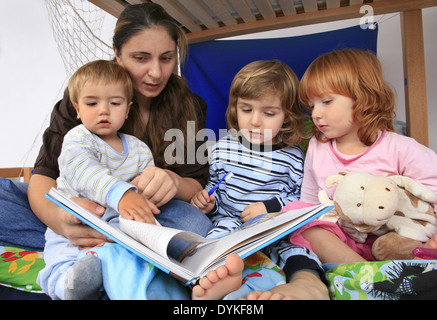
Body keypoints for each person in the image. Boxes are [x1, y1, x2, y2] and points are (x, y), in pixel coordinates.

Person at [0, 3, 213, 299]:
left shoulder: (189, 106)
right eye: (141, 58)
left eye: (166, 58)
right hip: (77, 209)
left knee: (194, 222)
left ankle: (104, 251)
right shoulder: (83, 98)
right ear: (117, 52)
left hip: (139, 219)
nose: (156, 72)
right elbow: (44, 178)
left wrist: (175, 183)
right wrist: (61, 222)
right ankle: (104, 251)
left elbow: (195, 185)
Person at [190, 60, 329, 300]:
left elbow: (302, 200)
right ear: (235, 109)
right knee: (213, 246)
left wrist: (270, 207)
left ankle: (306, 285)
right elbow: (216, 187)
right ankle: (219, 280)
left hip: (274, 228)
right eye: (246, 110)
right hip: (230, 224)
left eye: (269, 113)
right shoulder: (223, 148)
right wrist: (206, 201)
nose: (255, 121)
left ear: (286, 117)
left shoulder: (292, 157)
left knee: (298, 251)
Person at [288, 48, 437, 264]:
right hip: (345, 243)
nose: (315, 114)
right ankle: (364, 274)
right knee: (299, 216)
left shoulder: (399, 147)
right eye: (311, 106)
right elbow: (309, 200)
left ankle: (384, 272)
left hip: (393, 240)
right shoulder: (317, 147)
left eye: (326, 102)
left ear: (364, 98)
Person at [38, 59, 164, 300]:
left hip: (118, 225)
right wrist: (122, 193)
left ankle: (117, 280)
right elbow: (83, 171)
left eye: (114, 103)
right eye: (92, 103)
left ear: (127, 110)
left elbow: (144, 187)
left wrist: (142, 194)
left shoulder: (139, 149)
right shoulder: (77, 138)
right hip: (76, 221)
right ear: (77, 108)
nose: (103, 110)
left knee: (136, 251)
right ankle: (69, 285)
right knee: (60, 252)